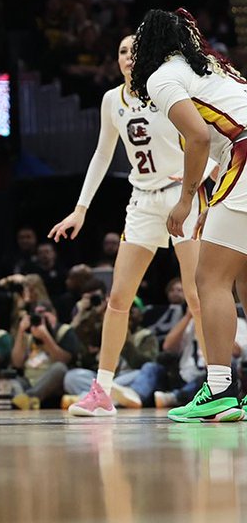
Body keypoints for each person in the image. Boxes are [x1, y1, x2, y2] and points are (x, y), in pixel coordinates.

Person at [49, 33, 207, 417]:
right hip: (141, 201)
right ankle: (102, 390)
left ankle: (220, 384)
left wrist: (201, 190)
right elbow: (102, 156)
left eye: (134, 51)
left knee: (196, 295)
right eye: (121, 51)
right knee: (118, 299)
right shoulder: (110, 100)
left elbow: (205, 139)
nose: (127, 57)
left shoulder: (170, 89)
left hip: (179, 194)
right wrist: (80, 209)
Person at [131, 8, 247, 423]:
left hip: (243, 157)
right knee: (243, 278)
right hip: (239, 159)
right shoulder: (212, 66)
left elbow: (199, 136)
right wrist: (214, 198)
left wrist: (185, 201)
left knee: (209, 279)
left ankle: (219, 389)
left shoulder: (161, 77)